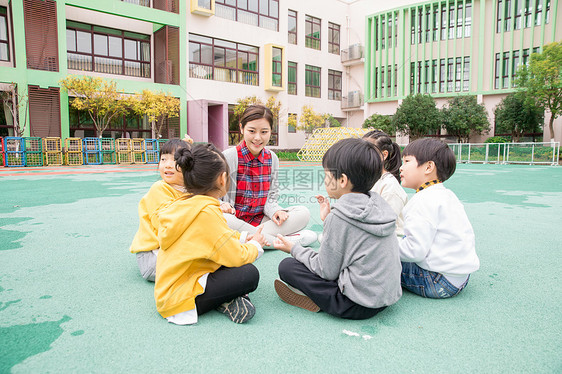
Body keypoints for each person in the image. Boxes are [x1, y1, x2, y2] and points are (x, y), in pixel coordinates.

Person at [273, 138, 402, 320]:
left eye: (327, 175)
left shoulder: (340, 217)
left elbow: (326, 270)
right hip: (387, 298)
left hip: (355, 305)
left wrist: (293, 248)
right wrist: (328, 220)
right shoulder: (379, 205)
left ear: (342, 180)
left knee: (287, 267)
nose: (325, 180)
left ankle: (316, 298)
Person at [154, 143, 268, 325]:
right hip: (181, 301)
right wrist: (255, 246)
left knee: (228, 265)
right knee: (248, 274)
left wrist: (245, 238)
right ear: (222, 179)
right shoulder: (207, 212)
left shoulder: (184, 204)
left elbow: (217, 238)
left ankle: (227, 298)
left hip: (168, 292)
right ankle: (226, 300)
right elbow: (236, 256)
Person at [221, 104, 316, 247]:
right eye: (251, 131)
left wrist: (275, 211)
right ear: (242, 128)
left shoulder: (272, 158)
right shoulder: (228, 157)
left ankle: (247, 239)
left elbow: (271, 198)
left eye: (264, 132)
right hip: (233, 220)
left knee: (303, 213)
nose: (258, 138)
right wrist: (222, 205)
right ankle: (286, 242)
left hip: (262, 221)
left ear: (271, 131)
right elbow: (212, 195)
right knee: (223, 219)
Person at [398, 138, 480, 298]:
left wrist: (387, 246)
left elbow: (414, 251)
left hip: (436, 281)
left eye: (407, 161)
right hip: (460, 278)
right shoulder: (446, 194)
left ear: (428, 167)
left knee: (378, 259)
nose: (401, 167)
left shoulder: (422, 201)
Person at [129, 137, 193, 282]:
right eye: (163, 159)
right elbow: (166, 228)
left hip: (166, 251)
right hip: (152, 258)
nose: (168, 165)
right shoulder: (159, 189)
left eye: (175, 160)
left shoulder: (189, 190)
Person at [363, 130, 408, 236]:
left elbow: (383, 225)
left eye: (368, 151)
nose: (361, 155)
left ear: (384, 155)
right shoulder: (365, 181)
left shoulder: (389, 187)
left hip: (389, 244)